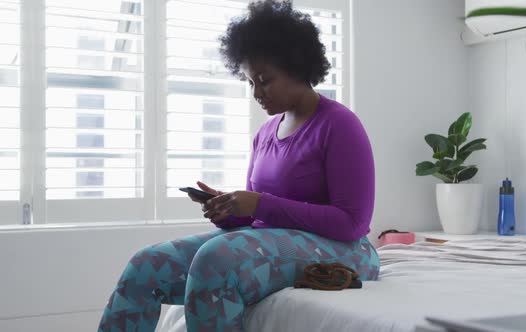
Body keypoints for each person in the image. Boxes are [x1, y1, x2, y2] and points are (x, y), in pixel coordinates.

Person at [98, 1, 379, 331]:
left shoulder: (339, 125)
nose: (257, 93)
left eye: (265, 80)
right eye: (250, 83)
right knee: (147, 265)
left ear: (298, 68)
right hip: (279, 241)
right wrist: (231, 210)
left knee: (216, 260)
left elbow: (353, 223)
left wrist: (260, 203)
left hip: (346, 251)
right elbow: (260, 219)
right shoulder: (265, 134)